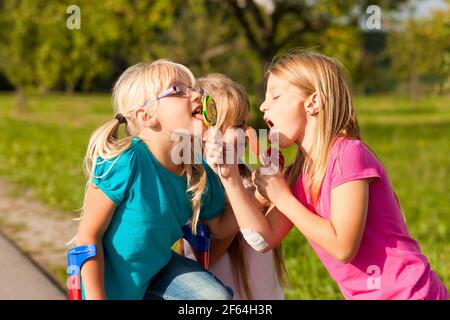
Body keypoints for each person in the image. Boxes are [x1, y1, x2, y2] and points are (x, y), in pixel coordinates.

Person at [205, 50, 449, 300]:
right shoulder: (298, 174)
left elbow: (343, 247)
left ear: (313, 103)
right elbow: (262, 239)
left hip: (409, 293)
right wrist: (230, 178)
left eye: (275, 96)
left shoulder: (347, 154)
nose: (263, 105)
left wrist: (283, 197)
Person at [75, 60, 236, 300]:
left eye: (196, 89)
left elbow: (221, 228)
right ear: (147, 116)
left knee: (214, 298)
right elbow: (88, 235)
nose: (196, 95)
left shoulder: (197, 171)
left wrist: (260, 195)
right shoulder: (127, 161)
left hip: (157, 271)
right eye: (179, 90)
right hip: (110, 288)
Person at [182, 73, 287, 299]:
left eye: (246, 123)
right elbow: (209, 254)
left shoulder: (245, 171)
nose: (248, 132)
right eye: (238, 125)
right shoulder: (200, 182)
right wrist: (255, 199)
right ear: (207, 132)